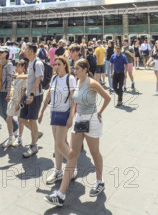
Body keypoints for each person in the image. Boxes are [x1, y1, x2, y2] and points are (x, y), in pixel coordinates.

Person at [45, 58, 111, 207]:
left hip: (92, 120)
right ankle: (61, 195)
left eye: (77, 69)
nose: (74, 71)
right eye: (74, 68)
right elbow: (74, 100)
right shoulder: (76, 81)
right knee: (73, 154)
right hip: (79, 119)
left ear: (85, 70)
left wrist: (99, 112)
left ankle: (99, 181)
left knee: (94, 152)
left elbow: (107, 98)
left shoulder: (92, 83)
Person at [38, 55, 76, 185]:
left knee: (60, 143)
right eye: (55, 64)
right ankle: (58, 170)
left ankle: (72, 166)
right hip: (53, 112)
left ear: (65, 65)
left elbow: (73, 99)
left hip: (64, 114)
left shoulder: (70, 78)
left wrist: (71, 117)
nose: (57, 66)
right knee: (57, 143)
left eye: (59, 64)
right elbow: (48, 94)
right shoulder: (54, 78)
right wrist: (42, 111)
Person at [19, 43, 45, 158]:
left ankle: (33, 146)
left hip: (35, 96)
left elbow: (38, 80)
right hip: (28, 94)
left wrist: (32, 94)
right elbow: (30, 79)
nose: (23, 50)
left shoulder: (38, 63)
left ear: (31, 51)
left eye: (26, 49)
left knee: (32, 120)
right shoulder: (30, 62)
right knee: (21, 118)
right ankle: (37, 133)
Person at [5, 59, 27, 148]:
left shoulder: (24, 77)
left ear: (22, 67)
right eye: (16, 66)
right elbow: (13, 87)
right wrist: (9, 94)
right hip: (13, 100)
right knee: (8, 118)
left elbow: (24, 92)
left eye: (18, 66)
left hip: (19, 101)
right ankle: (11, 137)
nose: (16, 67)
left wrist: (20, 103)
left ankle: (20, 137)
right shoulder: (16, 76)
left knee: (20, 120)